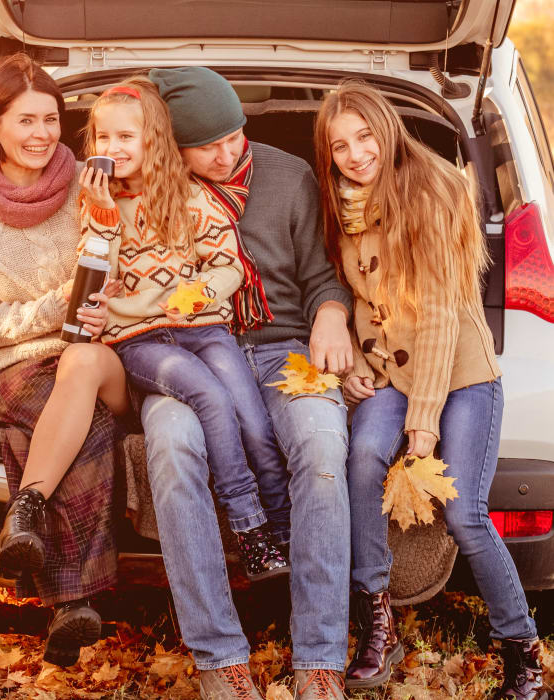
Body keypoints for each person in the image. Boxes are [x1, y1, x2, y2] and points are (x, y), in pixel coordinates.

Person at [314, 81, 545, 699]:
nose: (356, 154)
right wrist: (354, 365)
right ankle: (377, 620)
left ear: (388, 128)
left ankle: (523, 654)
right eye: (340, 146)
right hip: (390, 374)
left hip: (461, 375)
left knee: (466, 511)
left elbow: (441, 313)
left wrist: (423, 424)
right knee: (360, 461)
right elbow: (357, 297)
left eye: (365, 136)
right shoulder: (339, 207)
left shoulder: (436, 188)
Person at [144, 67, 354, 700]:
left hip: (283, 349)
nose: (228, 153)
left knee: (321, 448)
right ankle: (221, 661)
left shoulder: (289, 176)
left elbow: (324, 273)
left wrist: (332, 312)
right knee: (173, 450)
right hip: (187, 354)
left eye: (235, 136)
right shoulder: (151, 191)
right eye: (207, 145)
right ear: (172, 147)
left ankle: (319, 660)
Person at [0, 53, 130, 668]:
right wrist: (51, 310)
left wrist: (105, 303)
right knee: (90, 427)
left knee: (65, 413)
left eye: (51, 119)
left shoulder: (87, 186)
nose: (43, 134)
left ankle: (35, 538)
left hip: (91, 353)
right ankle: (74, 603)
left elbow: (118, 269)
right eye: (26, 121)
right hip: (12, 365)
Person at [78, 77, 290, 581]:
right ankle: (250, 530)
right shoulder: (95, 206)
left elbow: (229, 266)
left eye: (126, 137)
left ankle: (284, 534)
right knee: (209, 398)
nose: (113, 149)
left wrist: (201, 293)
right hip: (139, 341)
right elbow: (95, 280)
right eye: (103, 139)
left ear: (154, 139)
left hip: (205, 329)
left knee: (256, 423)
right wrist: (105, 220)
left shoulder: (192, 198)